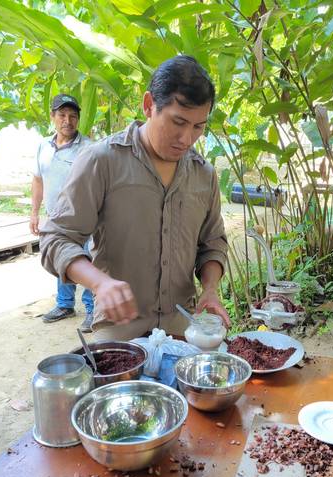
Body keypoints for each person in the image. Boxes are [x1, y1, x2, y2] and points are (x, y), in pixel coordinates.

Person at [39, 56, 229, 340]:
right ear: (149, 104)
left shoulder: (204, 175)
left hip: (182, 331)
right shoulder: (102, 161)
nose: (187, 138)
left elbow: (212, 243)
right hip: (120, 334)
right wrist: (100, 283)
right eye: (178, 122)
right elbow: (56, 238)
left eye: (198, 127)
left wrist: (211, 290)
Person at [30, 94, 94, 332]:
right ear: (53, 117)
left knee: (87, 261)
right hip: (56, 218)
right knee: (61, 261)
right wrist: (34, 212)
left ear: (78, 120)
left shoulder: (88, 148)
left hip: (85, 218)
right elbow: (38, 180)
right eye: (62, 115)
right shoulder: (43, 147)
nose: (68, 120)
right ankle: (65, 304)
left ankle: (92, 309)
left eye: (73, 116)